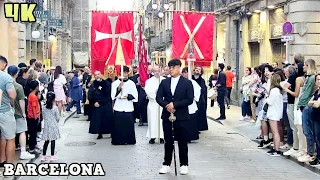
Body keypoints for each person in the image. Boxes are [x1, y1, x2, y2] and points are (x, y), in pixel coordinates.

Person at [156, 59, 194, 175]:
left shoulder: (187, 83)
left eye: (173, 67)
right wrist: (167, 105)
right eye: (169, 67)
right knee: (168, 141)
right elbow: (158, 97)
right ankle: (166, 164)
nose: (171, 69)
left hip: (181, 116)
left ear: (179, 68)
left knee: (182, 141)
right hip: (167, 115)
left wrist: (175, 105)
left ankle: (184, 164)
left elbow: (189, 99)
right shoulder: (164, 82)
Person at [7, 65, 35, 160]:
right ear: (17, 74)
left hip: (7, 112)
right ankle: (23, 152)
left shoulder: (4, 84)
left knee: (8, 134)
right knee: (22, 131)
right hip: (18, 113)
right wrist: (23, 113)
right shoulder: (18, 86)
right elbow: (21, 101)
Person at [111, 66, 138, 145]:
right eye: (123, 73)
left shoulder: (131, 83)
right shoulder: (115, 83)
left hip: (128, 106)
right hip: (118, 106)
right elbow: (112, 96)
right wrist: (119, 88)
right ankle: (118, 140)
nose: (125, 75)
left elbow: (135, 97)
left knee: (128, 125)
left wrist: (128, 96)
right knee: (118, 125)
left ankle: (129, 140)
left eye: (126, 73)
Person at [0, 56, 17, 167]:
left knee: (2, 137)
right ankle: (9, 165)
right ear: (3, 64)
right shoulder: (6, 77)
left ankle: (1, 160)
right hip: (4, 111)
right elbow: (12, 95)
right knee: (9, 138)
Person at [88, 71, 114, 139]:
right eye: (95, 75)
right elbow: (90, 95)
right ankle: (100, 133)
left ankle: (111, 132)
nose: (97, 76)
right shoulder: (92, 85)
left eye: (98, 74)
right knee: (98, 120)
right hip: (96, 105)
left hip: (105, 104)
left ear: (101, 75)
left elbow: (108, 95)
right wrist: (94, 102)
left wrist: (100, 102)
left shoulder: (107, 84)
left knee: (108, 120)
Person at [145, 65, 165, 144]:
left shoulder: (164, 80)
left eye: (158, 71)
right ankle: (152, 136)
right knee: (152, 120)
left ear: (161, 71)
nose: (157, 73)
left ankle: (161, 136)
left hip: (162, 104)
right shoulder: (149, 81)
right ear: (153, 72)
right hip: (153, 103)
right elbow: (148, 91)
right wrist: (155, 93)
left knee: (161, 120)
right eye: (155, 71)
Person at [265, 74, 283, 156]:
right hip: (276, 112)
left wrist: (266, 97)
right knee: (275, 132)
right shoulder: (278, 90)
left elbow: (270, 101)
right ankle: (275, 148)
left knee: (275, 132)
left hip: (273, 113)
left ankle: (276, 149)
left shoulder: (274, 90)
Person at [181, 67, 201, 142]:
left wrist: (193, 97)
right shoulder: (180, 82)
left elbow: (197, 90)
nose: (186, 74)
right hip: (182, 104)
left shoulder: (192, 82)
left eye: (187, 72)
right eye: (184, 72)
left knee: (190, 121)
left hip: (191, 104)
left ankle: (190, 136)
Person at [41, 92, 60, 161]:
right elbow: (58, 118)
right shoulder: (55, 108)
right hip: (53, 126)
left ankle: (43, 156)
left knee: (46, 141)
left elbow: (43, 116)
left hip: (46, 126)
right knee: (53, 141)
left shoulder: (43, 107)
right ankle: (52, 156)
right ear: (53, 99)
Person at [27, 80, 41, 154]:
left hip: (32, 116)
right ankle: (32, 148)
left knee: (33, 132)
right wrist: (36, 117)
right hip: (33, 117)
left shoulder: (31, 95)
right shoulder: (33, 96)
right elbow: (34, 108)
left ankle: (33, 145)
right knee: (33, 133)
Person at [192, 66, 208, 131]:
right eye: (196, 69)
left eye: (199, 69)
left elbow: (203, 90)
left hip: (200, 99)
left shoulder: (202, 80)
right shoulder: (191, 78)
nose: (197, 70)